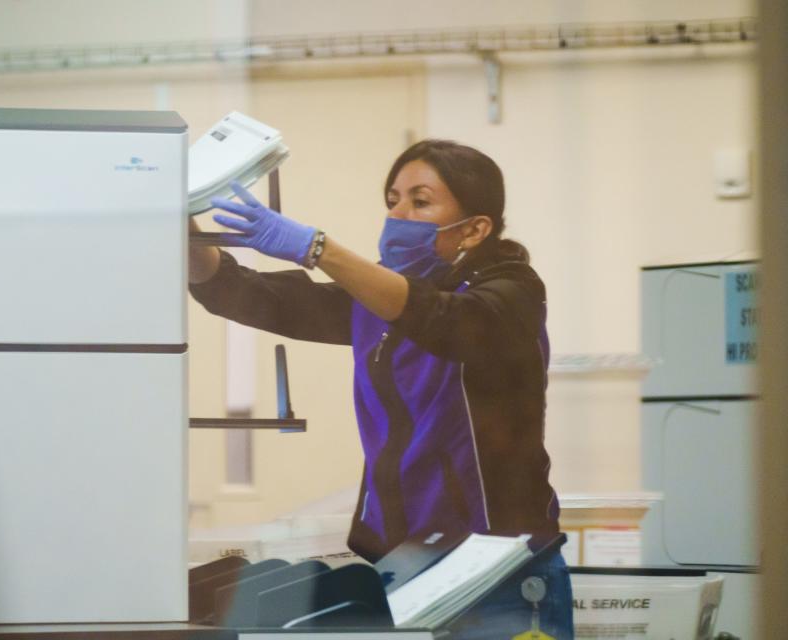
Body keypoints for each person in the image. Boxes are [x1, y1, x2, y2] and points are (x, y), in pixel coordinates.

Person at [188, 139, 573, 638]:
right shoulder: (376, 299)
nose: (398, 214)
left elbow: (447, 321)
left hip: (499, 568)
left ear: (476, 228)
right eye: (392, 199)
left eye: (420, 200)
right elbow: (250, 295)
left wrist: (318, 248)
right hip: (407, 563)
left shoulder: (513, 292)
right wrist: (185, 228)